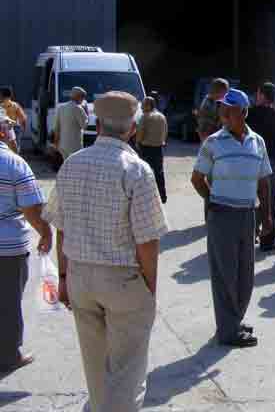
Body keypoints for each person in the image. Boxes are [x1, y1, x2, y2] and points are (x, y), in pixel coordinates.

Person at [45, 91, 168, 411]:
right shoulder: (136, 170)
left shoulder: (72, 163)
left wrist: (63, 276)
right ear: (132, 129)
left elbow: (61, 226)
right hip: (122, 280)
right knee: (126, 371)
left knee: (96, 366)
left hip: (80, 277)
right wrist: (150, 288)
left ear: (97, 125)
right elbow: (147, 240)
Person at [191, 89, 272, 348]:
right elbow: (197, 179)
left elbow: (264, 181)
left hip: (248, 214)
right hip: (222, 214)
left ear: (244, 112)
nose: (223, 112)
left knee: (245, 273)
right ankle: (227, 331)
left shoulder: (257, 142)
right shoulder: (213, 142)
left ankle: (233, 319)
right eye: (222, 108)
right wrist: (212, 202)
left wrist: (267, 214)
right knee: (225, 273)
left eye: (230, 108)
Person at [0, 110, 50, 374]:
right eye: (9, 128)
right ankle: (9, 355)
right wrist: (46, 232)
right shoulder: (13, 163)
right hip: (7, 249)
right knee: (7, 303)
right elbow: (32, 208)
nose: (12, 132)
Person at [247, 82, 275, 251]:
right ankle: (267, 241)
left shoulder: (247, 114)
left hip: (248, 161)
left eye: (257, 93)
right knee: (269, 202)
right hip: (270, 162)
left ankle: (248, 237)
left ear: (261, 95)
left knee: (248, 201)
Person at [136, 96, 168, 204]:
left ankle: (146, 197)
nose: (141, 107)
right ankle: (162, 196)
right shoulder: (162, 116)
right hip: (158, 148)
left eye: (143, 104)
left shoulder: (145, 117)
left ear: (149, 105)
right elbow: (165, 132)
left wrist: (138, 143)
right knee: (159, 172)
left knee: (144, 172)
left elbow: (140, 133)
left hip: (146, 148)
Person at [53, 86, 89, 161]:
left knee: (65, 165)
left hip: (62, 145)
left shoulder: (61, 107)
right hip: (75, 146)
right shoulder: (78, 108)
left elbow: (56, 127)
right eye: (83, 97)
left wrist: (56, 143)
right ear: (79, 97)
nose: (83, 99)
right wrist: (86, 112)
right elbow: (84, 126)